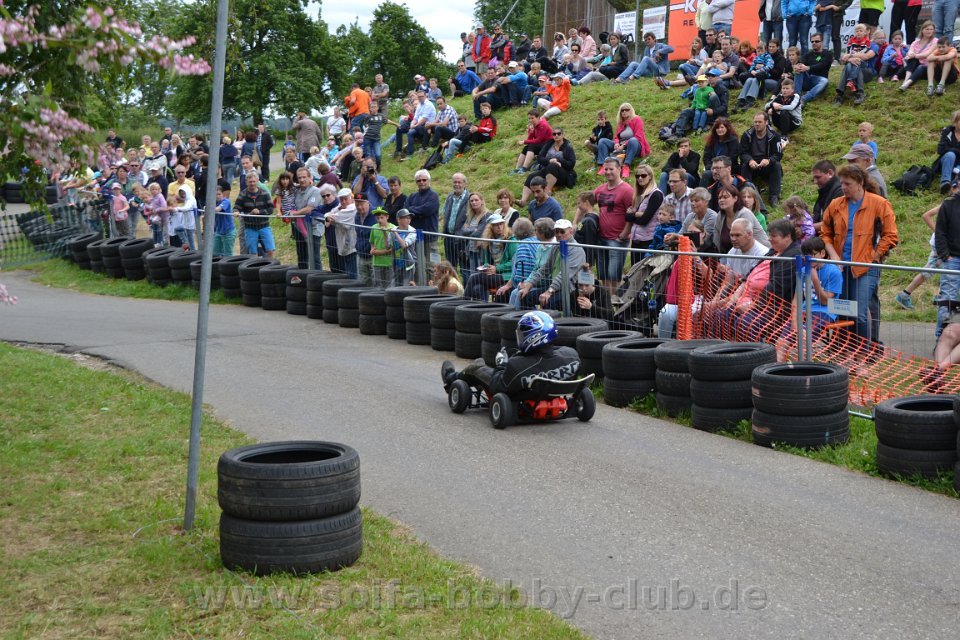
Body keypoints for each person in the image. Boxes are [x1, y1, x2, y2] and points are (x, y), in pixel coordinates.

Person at [820, 164, 899, 342]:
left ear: (860, 183)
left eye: (847, 184)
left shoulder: (879, 203)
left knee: (860, 312)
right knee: (841, 311)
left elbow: (891, 235)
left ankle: (864, 352)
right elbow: (825, 233)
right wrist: (833, 256)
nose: (843, 187)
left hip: (865, 267)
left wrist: (874, 256)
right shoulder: (836, 204)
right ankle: (843, 349)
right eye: (841, 183)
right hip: (840, 267)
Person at [441, 310, 581, 398]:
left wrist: (501, 364)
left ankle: (451, 378)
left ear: (533, 337)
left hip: (518, 393)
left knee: (477, 366)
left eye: (523, 334)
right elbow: (551, 351)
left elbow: (497, 387)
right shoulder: (571, 355)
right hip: (550, 391)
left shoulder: (517, 365)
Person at [895, 181, 960, 310]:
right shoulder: (948, 204)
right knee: (930, 271)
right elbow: (926, 215)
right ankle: (905, 294)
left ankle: (940, 296)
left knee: (937, 271)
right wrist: (939, 231)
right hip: (942, 245)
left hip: (946, 245)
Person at [517, 219, 585, 310]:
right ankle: (529, 318)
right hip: (556, 287)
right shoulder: (556, 246)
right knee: (525, 296)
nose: (559, 234)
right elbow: (544, 269)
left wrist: (549, 292)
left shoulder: (576, 250)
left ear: (571, 231)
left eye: (562, 231)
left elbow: (564, 275)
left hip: (571, 290)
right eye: (556, 232)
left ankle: (551, 319)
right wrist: (529, 285)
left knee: (548, 302)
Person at [593, 157, 635, 295]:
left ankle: (615, 301)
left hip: (617, 239)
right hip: (601, 237)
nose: (608, 172)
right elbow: (585, 202)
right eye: (606, 169)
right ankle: (606, 300)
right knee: (603, 274)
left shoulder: (627, 190)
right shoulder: (600, 189)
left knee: (614, 275)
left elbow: (631, 215)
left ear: (619, 169)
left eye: (611, 169)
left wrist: (624, 235)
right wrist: (576, 221)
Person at [464, 213, 516, 299]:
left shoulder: (511, 240)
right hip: (494, 274)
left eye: (501, 224)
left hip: (507, 275)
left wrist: (497, 268)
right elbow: (487, 261)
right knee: (478, 288)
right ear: (490, 227)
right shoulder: (488, 240)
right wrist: (486, 267)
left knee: (473, 278)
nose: (499, 227)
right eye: (496, 225)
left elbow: (514, 262)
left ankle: (463, 302)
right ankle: (477, 306)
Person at [520, 128, 576, 204]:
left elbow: (571, 164)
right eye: (554, 134)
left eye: (558, 133)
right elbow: (540, 158)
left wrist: (559, 161)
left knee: (552, 166)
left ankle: (546, 193)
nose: (556, 135)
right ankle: (523, 201)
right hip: (547, 169)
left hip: (563, 173)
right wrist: (549, 160)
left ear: (563, 135)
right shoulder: (549, 144)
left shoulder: (568, 147)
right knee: (531, 176)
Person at [933, 179, 960, 338]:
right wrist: (946, 256)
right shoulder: (948, 204)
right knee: (947, 301)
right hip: (952, 260)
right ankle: (941, 339)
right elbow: (940, 232)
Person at [740, 112, 784, 207]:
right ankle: (747, 194)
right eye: (755, 122)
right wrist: (750, 160)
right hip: (752, 164)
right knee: (744, 166)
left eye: (760, 122)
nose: (757, 124)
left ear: (766, 122)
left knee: (776, 165)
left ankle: (774, 196)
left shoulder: (775, 136)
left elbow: (778, 154)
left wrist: (769, 160)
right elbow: (742, 153)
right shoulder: (747, 135)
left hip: (767, 164)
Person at [595, 103, 651, 178]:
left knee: (633, 140)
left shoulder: (637, 119)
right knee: (602, 141)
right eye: (622, 110)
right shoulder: (621, 122)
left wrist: (624, 145)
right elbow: (616, 137)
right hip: (621, 145)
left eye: (627, 110)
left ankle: (626, 166)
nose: (624, 111)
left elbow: (638, 136)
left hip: (634, 146)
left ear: (631, 110)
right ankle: (603, 165)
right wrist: (616, 143)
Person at [712, 183, 769, 254]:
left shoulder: (745, 214)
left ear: (735, 198)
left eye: (725, 197)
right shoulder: (720, 215)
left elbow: (746, 241)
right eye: (720, 198)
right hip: (730, 255)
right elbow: (716, 240)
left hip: (758, 255)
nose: (721, 200)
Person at [832, 23, 877, 105]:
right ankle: (859, 94)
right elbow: (842, 60)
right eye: (857, 31)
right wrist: (850, 59)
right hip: (856, 69)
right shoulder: (852, 43)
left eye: (861, 31)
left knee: (857, 62)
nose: (859, 32)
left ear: (867, 32)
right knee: (851, 64)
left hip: (867, 72)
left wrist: (850, 56)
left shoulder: (873, 45)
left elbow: (866, 56)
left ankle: (840, 93)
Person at [235, 172, 276, 259]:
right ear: (246, 182)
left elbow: (271, 209)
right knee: (252, 253)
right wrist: (236, 211)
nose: (252, 184)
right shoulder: (242, 194)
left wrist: (259, 212)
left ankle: (270, 266)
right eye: (250, 182)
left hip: (264, 226)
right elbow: (237, 207)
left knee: (270, 250)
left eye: (254, 181)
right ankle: (255, 266)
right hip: (250, 227)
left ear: (257, 181)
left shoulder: (265, 193)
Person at [405, 170, 440, 266]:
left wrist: (413, 210)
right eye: (419, 180)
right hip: (415, 237)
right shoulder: (412, 196)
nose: (422, 182)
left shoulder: (434, 196)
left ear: (429, 181)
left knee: (432, 265)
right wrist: (419, 211)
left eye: (424, 180)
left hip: (430, 237)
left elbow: (427, 210)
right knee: (417, 264)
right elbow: (406, 211)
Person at [627, 164, 665, 250]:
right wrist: (637, 214)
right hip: (636, 239)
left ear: (650, 176)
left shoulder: (656, 194)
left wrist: (633, 215)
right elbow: (626, 216)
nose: (640, 178)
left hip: (649, 241)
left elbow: (644, 220)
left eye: (643, 175)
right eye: (637, 176)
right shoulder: (638, 195)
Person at [291, 167, 323, 269]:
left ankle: (317, 276)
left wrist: (295, 214)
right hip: (299, 229)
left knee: (315, 257)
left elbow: (310, 208)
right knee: (301, 257)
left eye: (304, 177)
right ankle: (303, 276)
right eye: (299, 178)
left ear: (310, 177)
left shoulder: (315, 191)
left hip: (314, 228)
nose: (302, 180)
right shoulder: (296, 191)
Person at [324, 188, 359, 279]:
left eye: (345, 199)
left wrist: (329, 216)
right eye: (341, 199)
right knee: (348, 273)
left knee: (352, 275)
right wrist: (336, 210)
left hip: (352, 246)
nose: (343, 202)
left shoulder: (352, 208)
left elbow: (334, 216)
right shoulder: (341, 207)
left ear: (351, 198)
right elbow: (327, 214)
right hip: (344, 245)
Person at [898, 20, 939, 91]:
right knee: (912, 59)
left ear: (933, 31)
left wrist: (914, 55)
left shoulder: (936, 41)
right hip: (914, 65)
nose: (929, 31)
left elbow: (927, 54)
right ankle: (906, 79)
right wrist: (911, 54)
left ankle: (907, 83)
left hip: (927, 67)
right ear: (922, 30)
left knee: (919, 66)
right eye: (927, 29)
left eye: (931, 29)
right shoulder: (916, 41)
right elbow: (910, 51)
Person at [702, 119, 740, 184]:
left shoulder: (733, 140)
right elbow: (706, 157)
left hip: (727, 168)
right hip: (712, 168)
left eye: (722, 127)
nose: (720, 130)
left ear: (727, 128)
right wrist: (712, 168)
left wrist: (719, 168)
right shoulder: (711, 141)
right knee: (707, 174)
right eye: (717, 128)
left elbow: (732, 158)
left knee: (707, 174)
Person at [811, 159, 843, 232]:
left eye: (818, 177)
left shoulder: (840, 192)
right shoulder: (825, 190)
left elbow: (835, 221)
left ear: (830, 173)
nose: (815, 181)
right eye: (814, 178)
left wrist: (808, 228)